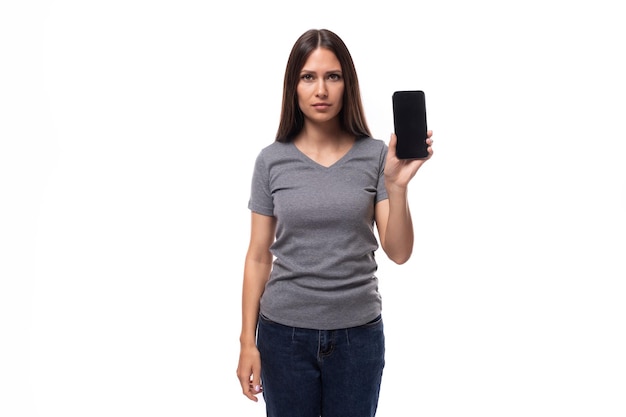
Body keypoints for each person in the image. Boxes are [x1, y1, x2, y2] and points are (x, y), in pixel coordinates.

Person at [236, 28, 433, 417]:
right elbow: (258, 256)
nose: (321, 89)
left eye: (333, 76)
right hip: (283, 337)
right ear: (294, 86)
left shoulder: (376, 156)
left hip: (357, 339)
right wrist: (247, 341)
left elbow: (399, 252)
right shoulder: (270, 161)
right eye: (309, 77)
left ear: (347, 84)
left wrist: (396, 186)